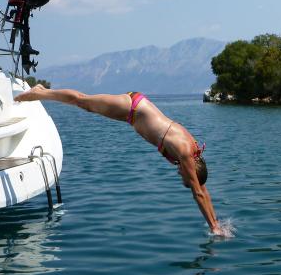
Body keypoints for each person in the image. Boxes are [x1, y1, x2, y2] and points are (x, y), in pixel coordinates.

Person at [15, 85, 223, 234]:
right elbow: (198, 192)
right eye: (185, 177)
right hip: (132, 107)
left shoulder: (192, 156)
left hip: (132, 113)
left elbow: (202, 189)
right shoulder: (185, 152)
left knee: (84, 103)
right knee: (82, 101)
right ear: (193, 169)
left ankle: (42, 92)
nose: (180, 174)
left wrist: (216, 222)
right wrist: (213, 228)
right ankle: (40, 92)